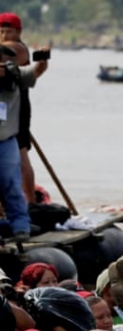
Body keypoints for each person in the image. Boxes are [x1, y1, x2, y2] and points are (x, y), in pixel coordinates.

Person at [0, 12, 48, 205]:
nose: (4, 35)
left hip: (18, 106)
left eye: (8, 31)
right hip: (6, 105)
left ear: (18, 32)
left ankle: (29, 202)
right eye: (1, 31)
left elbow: (35, 71)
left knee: (20, 153)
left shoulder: (16, 48)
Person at [0, 40, 38, 242]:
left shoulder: (15, 77)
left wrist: (42, 59)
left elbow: (36, 71)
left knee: (12, 187)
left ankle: (21, 228)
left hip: (6, 142)